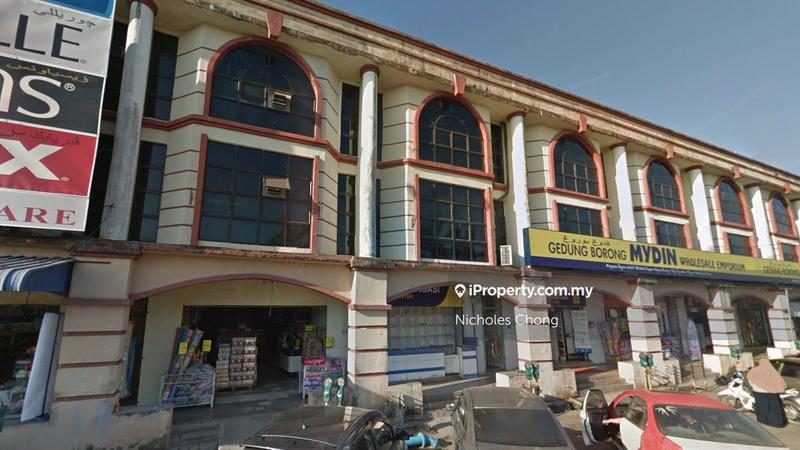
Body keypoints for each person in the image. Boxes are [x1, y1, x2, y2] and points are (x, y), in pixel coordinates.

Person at [747, 358, 788, 427]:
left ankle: (763, 420)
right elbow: (778, 381)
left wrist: (756, 387)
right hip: (771, 392)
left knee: (762, 407)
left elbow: (750, 380)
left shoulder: (754, 370)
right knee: (773, 408)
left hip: (758, 392)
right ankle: (776, 422)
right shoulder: (771, 370)